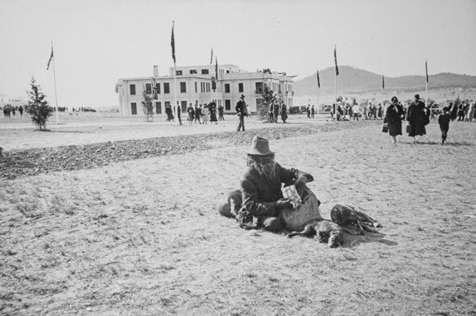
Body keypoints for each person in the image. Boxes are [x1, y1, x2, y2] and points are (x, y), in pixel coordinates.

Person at [236, 136, 314, 232]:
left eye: (269, 157)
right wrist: (276, 205)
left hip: (279, 206)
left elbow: (292, 172)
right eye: (263, 159)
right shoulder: (247, 178)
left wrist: (302, 178)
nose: (267, 161)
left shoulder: (275, 167)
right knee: (274, 224)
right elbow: (250, 205)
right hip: (257, 213)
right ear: (255, 160)